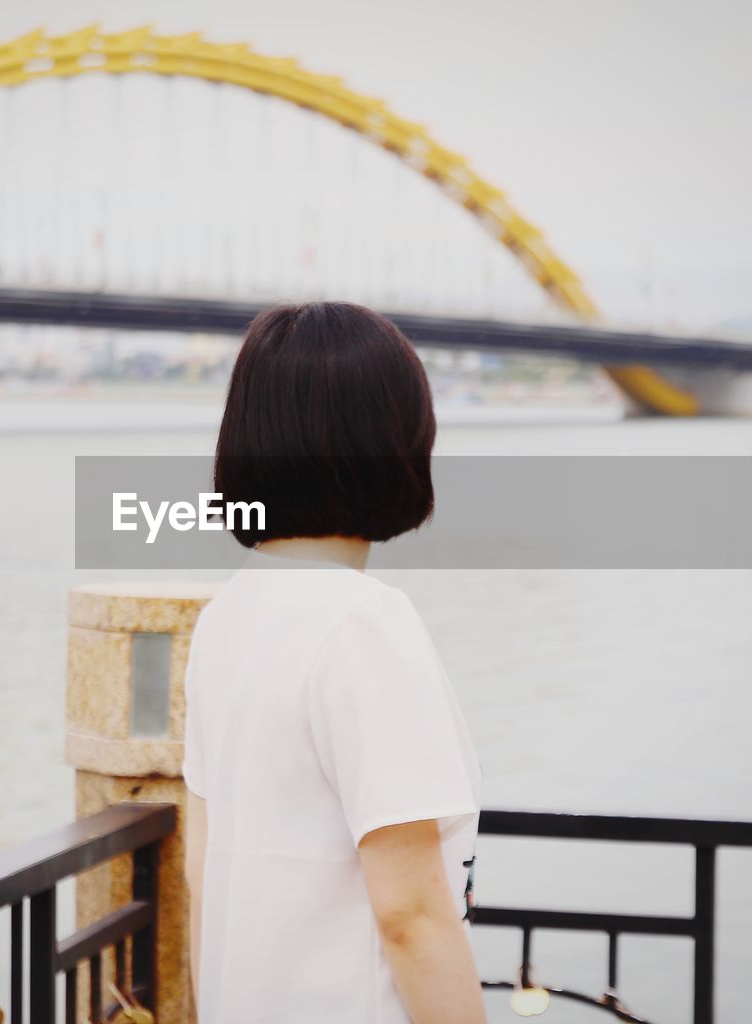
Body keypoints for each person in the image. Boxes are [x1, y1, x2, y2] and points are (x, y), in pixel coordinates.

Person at [182, 302, 487, 1023]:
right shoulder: (363, 624)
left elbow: (203, 873)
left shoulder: (225, 618)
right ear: (391, 442)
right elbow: (410, 914)